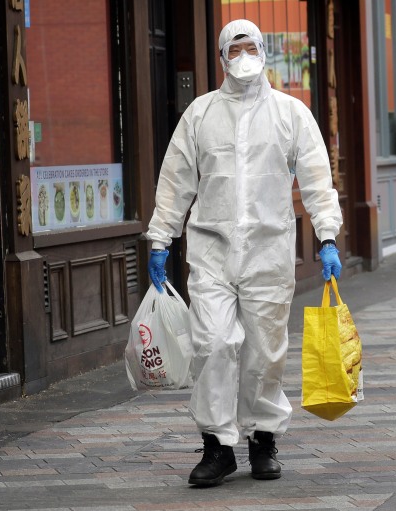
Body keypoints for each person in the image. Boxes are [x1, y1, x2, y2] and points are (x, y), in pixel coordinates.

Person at [145, 19, 343, 486]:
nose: (243, 56)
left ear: (264, 51)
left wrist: (328, 235)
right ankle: (217, 445)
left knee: (265, 351)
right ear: (220, 58)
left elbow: (317, 179)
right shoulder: (200, 114)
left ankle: (262, 439)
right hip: (211, 251)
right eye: (234, 50)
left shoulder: (291, 114)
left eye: (250, 47)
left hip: (269, 253)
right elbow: (175, 182)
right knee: (212, 344)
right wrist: (160, 238)